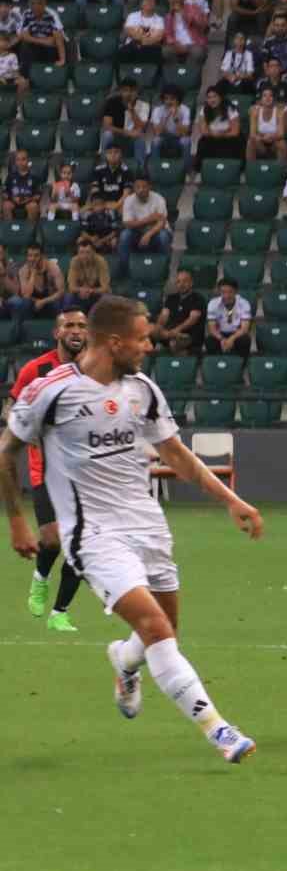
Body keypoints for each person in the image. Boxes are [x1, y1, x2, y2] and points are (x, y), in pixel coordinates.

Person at [0, 296, 264, 762]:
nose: (148, 346)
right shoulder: (51, 389)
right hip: (92, 534)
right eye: (142, 338)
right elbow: (7, 451)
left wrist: (231, 500)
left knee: (165, 630)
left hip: (147, 523)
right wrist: (18, 520)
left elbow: (177, 455)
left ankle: (124, 660)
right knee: (156, 627)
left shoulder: (142, 389)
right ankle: (218, 729)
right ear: (114, 341)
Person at [7, 309, 88, 631]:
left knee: (81, 546)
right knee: (52, 540)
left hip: (85, 473)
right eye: (69, 325)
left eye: (82, 325)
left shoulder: (95, 371)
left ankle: (60, 613)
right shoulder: (36, 369)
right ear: (57, 332)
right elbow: (13, 408)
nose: (76, 331)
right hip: (46, 470)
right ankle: (40, 578)